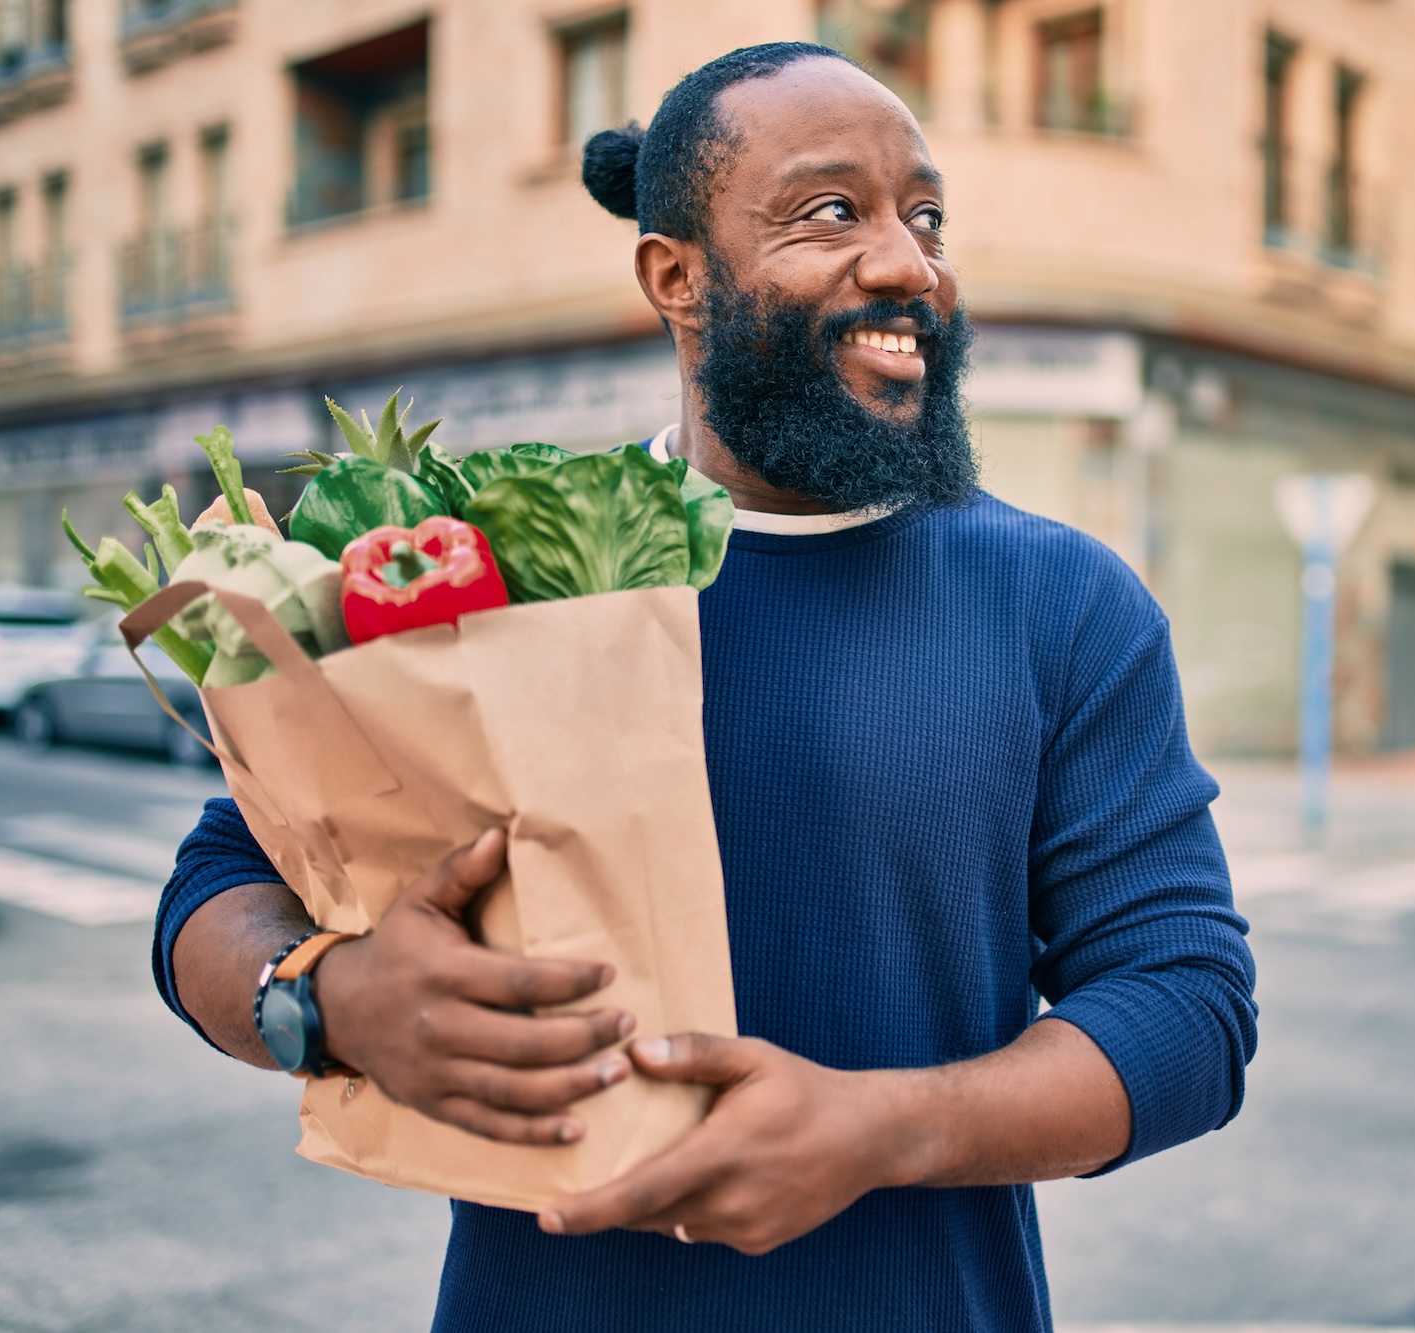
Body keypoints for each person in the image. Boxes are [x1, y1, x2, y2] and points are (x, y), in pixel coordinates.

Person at [156, 42, 1257, 1333]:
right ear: (676, 278)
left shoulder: (1066, 604)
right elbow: (218, 886)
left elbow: (1187, 1004)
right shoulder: (494, 560)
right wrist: (331, 999)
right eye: (830, 211)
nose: (910, 262)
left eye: (927, 215)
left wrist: (879, 1126)